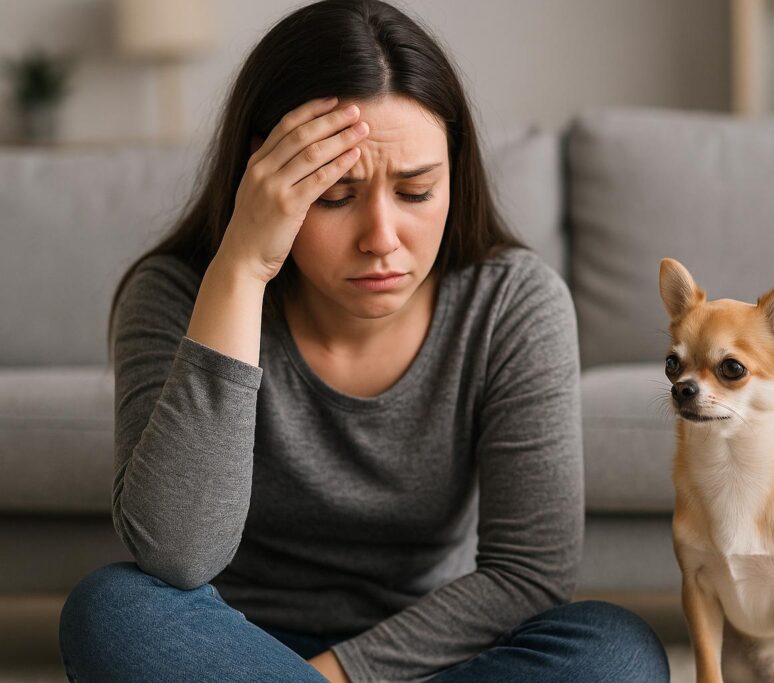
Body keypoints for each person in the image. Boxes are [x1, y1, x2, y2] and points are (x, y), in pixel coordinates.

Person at [56, 1, 669, 681]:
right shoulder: (174, 293)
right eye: (335, 196)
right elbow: (177, 555)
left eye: (416, 190)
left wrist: (331, 675)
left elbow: (528, 575)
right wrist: (241, 269)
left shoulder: (512, 302)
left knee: (615, 651)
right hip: (230, 645)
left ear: (453, 177)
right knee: (111, 607)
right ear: (262, 186)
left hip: (433, 650)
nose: (382, 238)